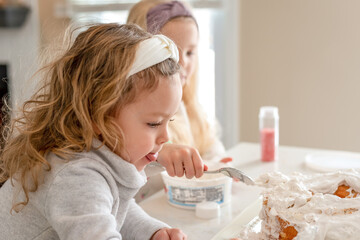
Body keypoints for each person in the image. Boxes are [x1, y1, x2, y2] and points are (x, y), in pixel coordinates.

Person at [0, 23, 201, 240]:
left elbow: (113, 207)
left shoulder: (96, 152)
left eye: (168, 121)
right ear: (97, 114)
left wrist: (152, 232)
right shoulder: (74, 176)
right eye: (153, 124)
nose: (166, 137)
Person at [127, 0, 232, 202]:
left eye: (190, 52)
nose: (183, 63)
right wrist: (159, 153)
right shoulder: (127, 114)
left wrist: (215, 164)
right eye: (170, 51)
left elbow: (210, 144)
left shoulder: (188, 106)